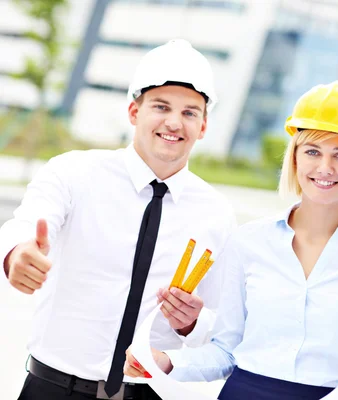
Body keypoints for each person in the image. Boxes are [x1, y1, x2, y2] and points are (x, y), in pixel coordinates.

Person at [123, 81, 338, 399]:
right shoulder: (249, 242)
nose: (325, 168)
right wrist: (166, 361)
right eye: (312, 151)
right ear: (295, 158)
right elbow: (226, 353)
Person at [0, 39, 236, 400]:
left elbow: (222, 329)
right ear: (133, 111)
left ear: (203, 126)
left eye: (190, 112)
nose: (175, 122)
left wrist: (191, 324)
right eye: (161, 106)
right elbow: (24, 225)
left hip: (148, 392)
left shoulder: (216, 213)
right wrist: (18, 254)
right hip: (54, 388)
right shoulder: (74, 172)